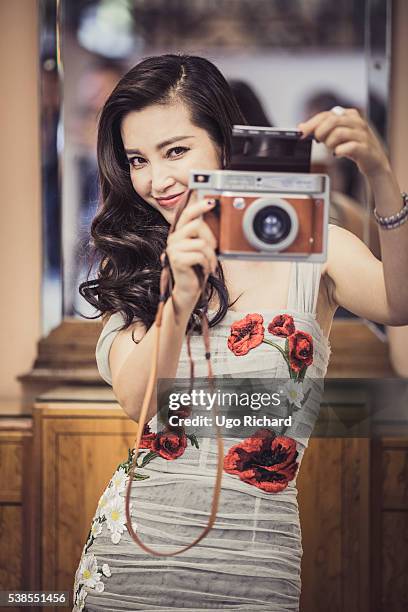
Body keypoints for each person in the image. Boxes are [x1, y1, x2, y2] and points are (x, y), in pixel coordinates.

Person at [73, 54, 408, 611]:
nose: (157, 180)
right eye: (138, 160)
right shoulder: (136, 262)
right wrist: (177, 297)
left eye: (176, 151)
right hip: (134, 553)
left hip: (259, 559)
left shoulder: (312, 246)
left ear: (225, 145)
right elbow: (135, 399)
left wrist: (381, 176)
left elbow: (399, 303)